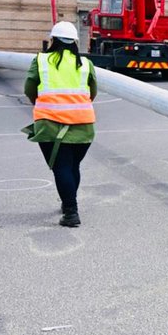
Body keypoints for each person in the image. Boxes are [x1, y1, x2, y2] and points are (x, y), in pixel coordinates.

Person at [23, 21, 99, 227]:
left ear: (53, 40)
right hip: (84, 126)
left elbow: (29, 87)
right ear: (75, 42)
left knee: (61, 167)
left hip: (51, 124)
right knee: (73, 166)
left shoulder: (42, 60)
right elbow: (92, 91)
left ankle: (71, 212)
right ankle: (68, 203)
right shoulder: (85, 64)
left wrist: (39, 102)